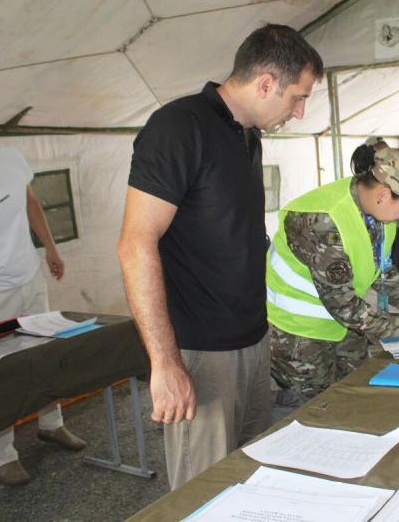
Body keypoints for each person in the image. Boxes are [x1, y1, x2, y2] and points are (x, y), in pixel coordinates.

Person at [117, 24, 323, 490]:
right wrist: (165, 362)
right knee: (203, 489)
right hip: (201, 349)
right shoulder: (179, 127)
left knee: (249, 475)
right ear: (266, 82)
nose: (300, 110)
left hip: (250, 338)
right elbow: (135, 243)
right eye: (297, 97)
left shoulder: (248, 136)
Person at [0, 119, 85, 486]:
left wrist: (51, 249)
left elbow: (30, 203)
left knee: (44, 353)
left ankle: (51, 425)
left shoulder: (11, 159)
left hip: (28, 279)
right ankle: (3, 455)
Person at [267, 145, 399, 402]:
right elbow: (341, 303)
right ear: (384, 194)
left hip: (344, 326)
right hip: (300, 332)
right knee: (320, 408)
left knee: (358, 396)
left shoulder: (381, 217)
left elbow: (383, 271)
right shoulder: (322, 221)